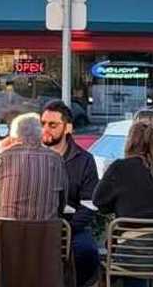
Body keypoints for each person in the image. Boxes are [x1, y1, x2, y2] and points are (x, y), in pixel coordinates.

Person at [93, 122, 153, 287]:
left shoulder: (120, 168)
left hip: (134, 254)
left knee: (120, 256)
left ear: (130, 142)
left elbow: (99, 201)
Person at [40, 100, 100, 286]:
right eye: (42, 124)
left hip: (72, 226)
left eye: (52, 125)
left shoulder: (85, 160)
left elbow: (90, 203)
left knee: (87, 252)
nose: (45, 129)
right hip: (36, 223)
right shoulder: (33, 157)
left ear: (68, 128)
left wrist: (68, 228)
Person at [0, 113, 67, 220]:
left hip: (3, 234)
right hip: (44, 234)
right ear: (41, 134)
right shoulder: (56, 160)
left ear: (13, 136)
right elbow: (62, 203)